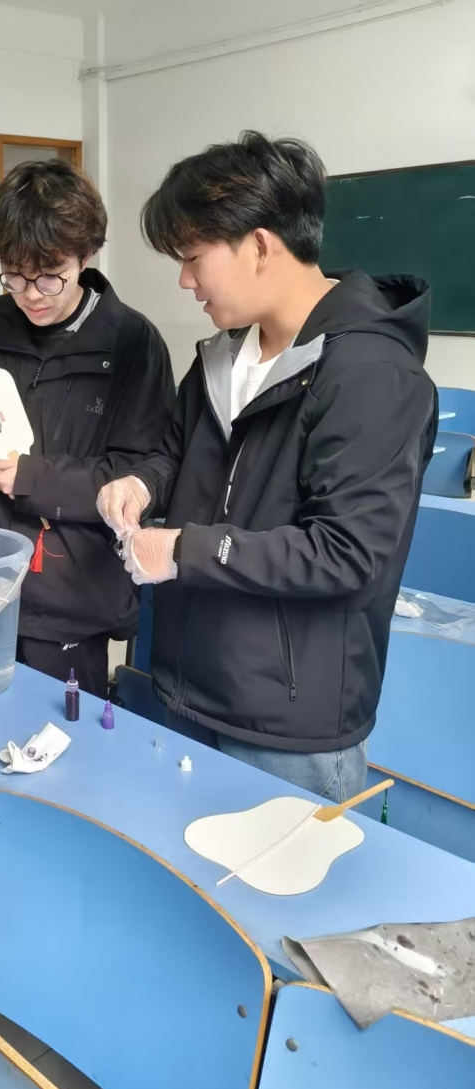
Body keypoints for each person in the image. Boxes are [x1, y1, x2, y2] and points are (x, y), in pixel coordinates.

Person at [98, 131, 437, 799]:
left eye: (192, 258)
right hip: (189, 686)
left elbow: (347, 554)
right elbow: (175, 452)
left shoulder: (371, 375)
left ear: (258, 245)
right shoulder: (221, 358)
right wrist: (142, 483)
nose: (185, 280)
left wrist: (184, 550)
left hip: (286, 728)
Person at [0, 160, 175, 696]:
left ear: (86, 254)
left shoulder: (132, 342)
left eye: (50, 274)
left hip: (73, 595)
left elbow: (143, 472)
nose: (32, 293)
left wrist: (33, 479)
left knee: (60, 736)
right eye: (14, 274)